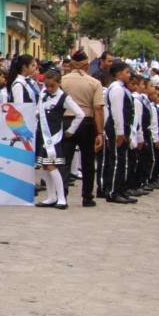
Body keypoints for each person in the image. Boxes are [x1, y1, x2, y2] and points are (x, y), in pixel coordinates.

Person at [34, 68, 85, 209]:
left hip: (54, 137)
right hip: (42, 135)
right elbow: (38, 110)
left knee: (52, 166)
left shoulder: (64, 97)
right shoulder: (43, 94)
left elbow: (80, 114)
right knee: (45, 166)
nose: (49, 88)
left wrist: (71, 130)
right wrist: (37, 113)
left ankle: (62, 198)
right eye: (46, 85)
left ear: (59, 83)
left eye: (52, 86)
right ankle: (51, 196)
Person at [60, 51, 105, 207]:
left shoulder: (62, 81)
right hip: (86, 122)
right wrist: (100, 132)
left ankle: (62, 194)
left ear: (71, 64)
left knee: (64, 160)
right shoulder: (94, 83)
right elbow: (98, 109)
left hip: (66, 121)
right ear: (86, 65)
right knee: (88, 161)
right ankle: (87, 196)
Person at [101, 61, 136, 204]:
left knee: (122, 159)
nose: (129, 75)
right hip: (117, 127)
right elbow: (117, 112)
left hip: (122, 126)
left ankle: (120, 188)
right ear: (119, 73)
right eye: (127, 72)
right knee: (117, 159)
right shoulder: (116, 89)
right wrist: (120, 132)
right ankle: (112, 192)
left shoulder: (121, 88)